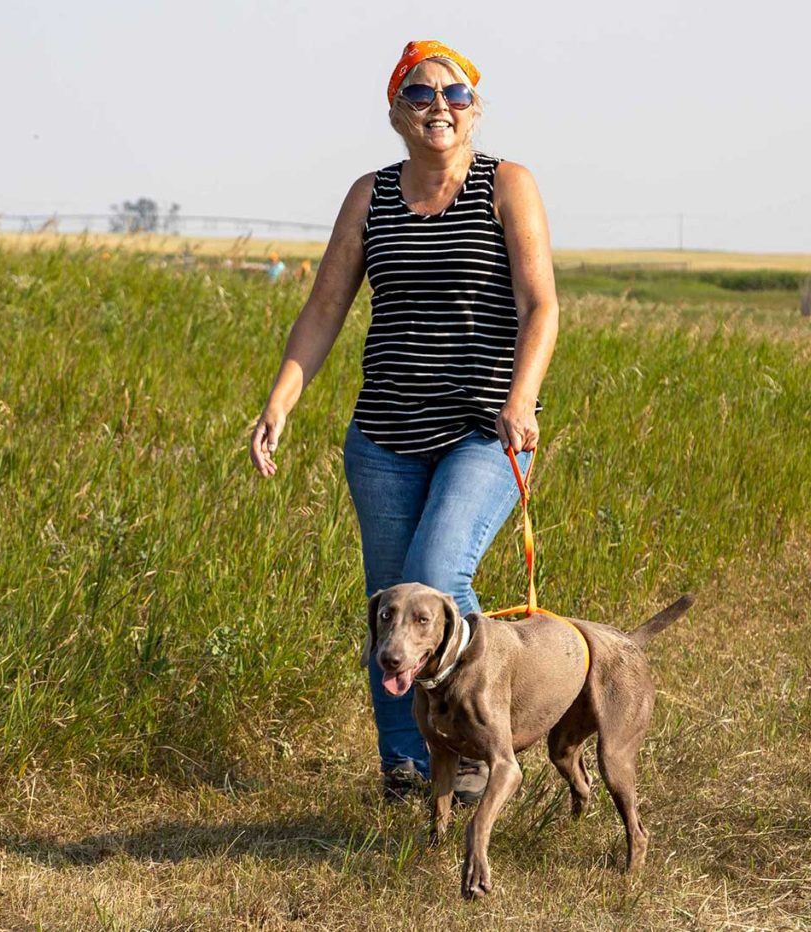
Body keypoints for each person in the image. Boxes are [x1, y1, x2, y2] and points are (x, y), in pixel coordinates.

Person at [249, 40, 560, 804]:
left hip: (485, 432)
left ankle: (485, 748)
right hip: (384, 437)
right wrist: (281, 399)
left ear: (475, 110)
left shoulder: (506, 185)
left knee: (438, 575)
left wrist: (521, 399)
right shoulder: (370, 196)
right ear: (395, 111)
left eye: (455, 96)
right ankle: (409, 768)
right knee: (391, 604)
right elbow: (324, 309)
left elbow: (541, 305)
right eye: (421, 96)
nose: (439, 109)